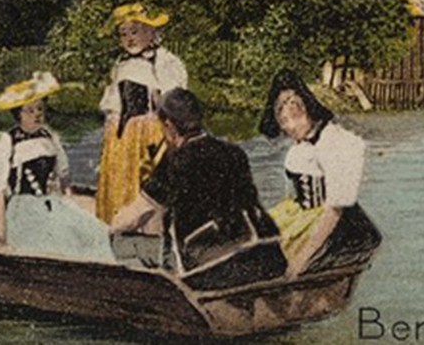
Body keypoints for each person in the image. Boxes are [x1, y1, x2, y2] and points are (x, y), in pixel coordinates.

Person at [110, 89, 281, 274]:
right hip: (258, 252)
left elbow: (134, 216)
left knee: (121, 240)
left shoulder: (175, 160)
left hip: (210, 266)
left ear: (168, 125)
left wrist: (111, 227)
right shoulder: (234, 152)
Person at [0, 71, 115, 261]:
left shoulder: (50, 137)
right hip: (23, 211)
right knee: (59, 242)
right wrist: (0, 237)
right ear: (18, 114)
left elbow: (64, 180)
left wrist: (72, 206)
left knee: (93, 231)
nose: (37, 115)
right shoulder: (5, 142)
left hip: (51, 203)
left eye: (40, 110)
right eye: (30, 111)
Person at [259, 69, 380, 277]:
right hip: (302, 214)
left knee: (289, 259)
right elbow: (294, 197)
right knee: (261, 239)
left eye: (295, 118)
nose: (290, 127)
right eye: (283, 121)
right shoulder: (300, 147)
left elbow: (334, 210)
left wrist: (300, 260)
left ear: (310, 109)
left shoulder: (336, 141)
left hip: (340, 227)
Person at [95, 2, 189, 223]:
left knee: (150, 180)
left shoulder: (165, 62)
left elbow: (174, 100)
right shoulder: (121, 64)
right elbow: (114, 101)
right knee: (121, 179)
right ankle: (120, 223)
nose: (129, 39)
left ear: (151, 31)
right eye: (123, 34)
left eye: (135, 32)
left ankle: (153, 225)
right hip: (123, 134)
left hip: (150, 130)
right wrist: (112, 123)